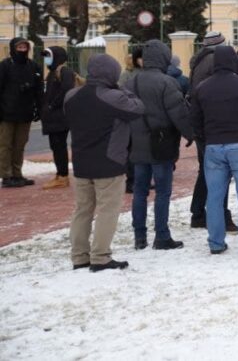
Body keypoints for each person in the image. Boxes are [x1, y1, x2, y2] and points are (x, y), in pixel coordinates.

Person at [64, 53, 146, 271]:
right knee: (107, 210)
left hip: (81, 162)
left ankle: (79, 256)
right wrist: (121, 88)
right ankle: (100, 256)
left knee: (82, 210)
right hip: (109, 162)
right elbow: (138, 107)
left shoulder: (71, 96)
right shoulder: (113, 97)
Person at [189, 45, 238, 255]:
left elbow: (195, 120)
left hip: (213, 146)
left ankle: (216, 243)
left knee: (214, 197)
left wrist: (206, 138)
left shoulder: (202, 88)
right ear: (233, 62)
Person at [123, 40, 195, 250]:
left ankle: (139, 236)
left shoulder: (130, 82)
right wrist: (189, 134)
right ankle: (162, 236)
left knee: (139, 191)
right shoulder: (166, 82)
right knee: (162, 192)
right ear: (163, 58)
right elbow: (178, 114)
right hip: (162, 144)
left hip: (137, 144)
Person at [188, 30, 238, 231]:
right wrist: (236, 54)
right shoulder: (216, 60)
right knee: (219, 173)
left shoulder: (198, 60)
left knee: (205, 170)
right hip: (216, 124)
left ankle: (197, 213)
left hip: (203, 123)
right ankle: (222, 217)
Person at [0, 37, 44, 188]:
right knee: (5, 145)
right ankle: (6, 175)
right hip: (7, 112)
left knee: (20, 145)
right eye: (19, 47)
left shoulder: (33, 66)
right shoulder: (5, 66)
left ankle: (17, 174)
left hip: (25, 112)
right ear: (13, 49)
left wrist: (39, 108)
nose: (22, 50)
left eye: (24, 47)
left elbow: (39, 91)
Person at [40, 47, 76, 189]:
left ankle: (63, 176)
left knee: (59, 146)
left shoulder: (64, 71)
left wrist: (52, 105)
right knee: (56, 146)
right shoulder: (52, 72)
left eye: (48, 56)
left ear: (57, 57)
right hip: (54, 117)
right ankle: (60, 174)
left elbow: (66, 90)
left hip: (60, 117)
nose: (46, 59)